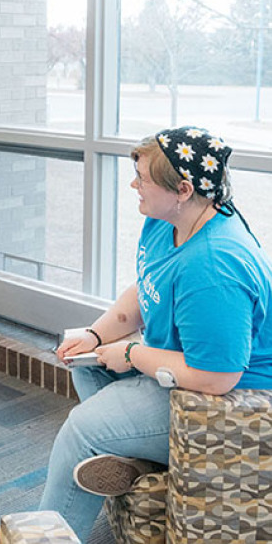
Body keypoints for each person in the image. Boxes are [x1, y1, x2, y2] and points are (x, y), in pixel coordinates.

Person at [38, 126, 272, 541]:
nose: (133, 185)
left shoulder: (214, 266)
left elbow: (216, 377)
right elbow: (147, 287)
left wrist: (131, 355)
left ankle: (44, 535)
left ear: (183, 189)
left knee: (83, 430)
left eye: (142, 178)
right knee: (87, 366)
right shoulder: (169, 222)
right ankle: (142, 460)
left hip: (221, 400)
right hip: (186, 368)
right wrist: (95, 336)